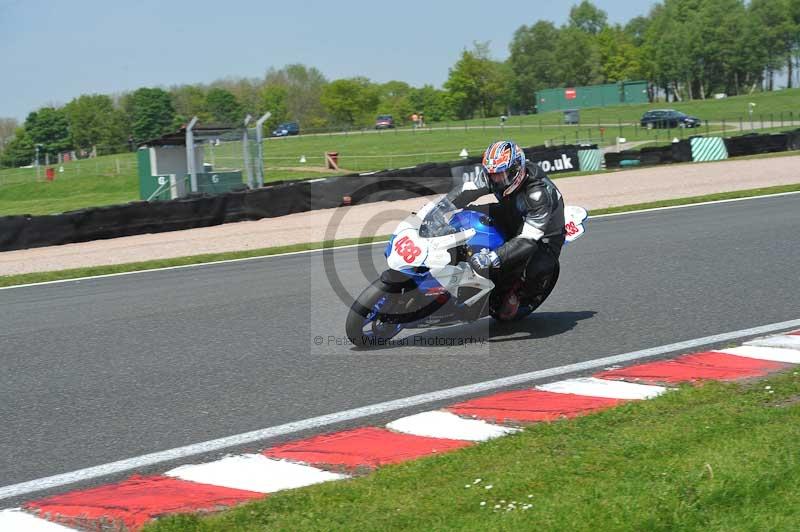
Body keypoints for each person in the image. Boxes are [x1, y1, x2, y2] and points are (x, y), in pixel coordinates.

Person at [440, 140, 565, 320]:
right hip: (514, 210)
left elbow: (528, 240)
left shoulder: (538, 194)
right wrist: (438, 210)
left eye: (502, 174)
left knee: (538, 266)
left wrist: (491, 257)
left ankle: (517, 295)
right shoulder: (493, 176)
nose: (496, 179)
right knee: (470, 216)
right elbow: (467, 191)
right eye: (492, 174)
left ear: (517, 170)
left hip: (545, 234)